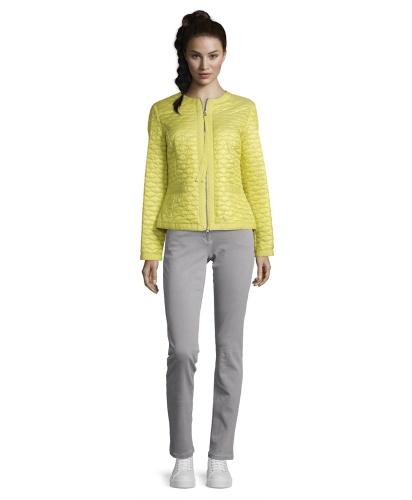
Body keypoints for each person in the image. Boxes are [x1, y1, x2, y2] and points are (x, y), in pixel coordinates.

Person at [140, 10, 274, 489]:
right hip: (181, 234)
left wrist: (265, 243)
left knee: (229, 348)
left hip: (237, 233)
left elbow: (255, 175)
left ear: (224, 56)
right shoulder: (163, 112)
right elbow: (154, 182)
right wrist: (150, 248)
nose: (205, 65)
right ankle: (182, 455)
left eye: (213, 55)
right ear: (184, 56)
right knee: (182, 349)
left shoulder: (244, 109)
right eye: (196, 55)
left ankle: (220, 456)